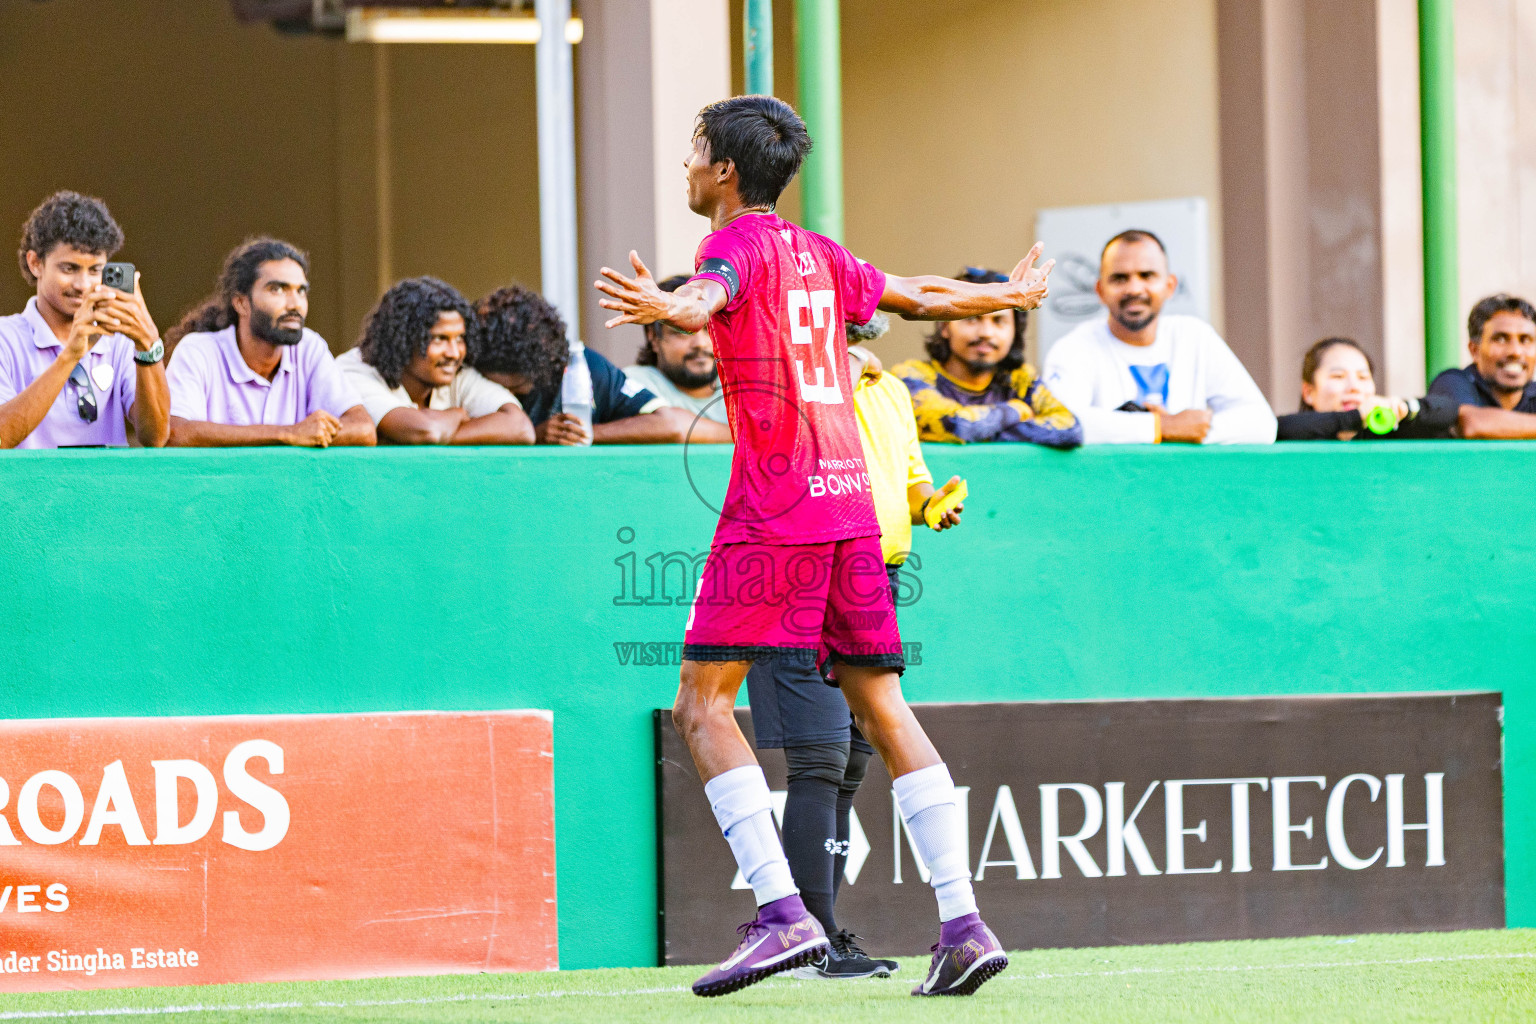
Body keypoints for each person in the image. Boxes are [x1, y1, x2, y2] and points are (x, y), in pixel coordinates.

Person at [595, 94, 1050, 998]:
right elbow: (919, 295)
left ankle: (781, 915)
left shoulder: (732, 243)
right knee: (883, 708)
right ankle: (963, 923)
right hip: (853, 504)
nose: (687, 165)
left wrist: (670, 304)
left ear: (726, 170)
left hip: (778, 503)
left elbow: (707, 296)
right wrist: (1009, 292)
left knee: (701, 707)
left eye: (694, 152)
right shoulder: (818, 251)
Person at [754, 315, 962, 982]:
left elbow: (910, 477)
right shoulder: (788, 385)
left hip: (878, 573)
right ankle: (806, 939)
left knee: (851, 761)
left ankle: (823, 938)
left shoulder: (890, 389)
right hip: (804, 569)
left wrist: (932, 506)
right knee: (820, 756)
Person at [1043, 229, 1276, 444]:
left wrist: (1187, 430)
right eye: (1120, 278)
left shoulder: (1195, 337)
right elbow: (1060, 422)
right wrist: (1160, 427)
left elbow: (1262, 424)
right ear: (1100, 291)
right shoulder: (1074, 348)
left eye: (1147, 275)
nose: (1134, 289)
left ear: (1170, 285)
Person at [165, 238, 373, 447]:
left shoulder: (309, 348)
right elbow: (176, 433)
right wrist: (288, 434)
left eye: (301, 291)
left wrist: (312, 433)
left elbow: (364, 429)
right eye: (277, 289)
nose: (295, 304)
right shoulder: (198, 351)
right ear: (241, 303)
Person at [0, 190, 169, 449]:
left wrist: (148, 345)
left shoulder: (120, 341)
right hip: (31, 490)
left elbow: (155, 437)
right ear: (35, 263)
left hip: (108, 489)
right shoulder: (5, 338)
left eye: (95, 270)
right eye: (69, 268)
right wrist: (70, 356)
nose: (83, 284)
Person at [471, 283, 700, 445]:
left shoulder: (581, 366)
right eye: (496, 386)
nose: (506, 395)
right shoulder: (465, 374)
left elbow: (667, 424)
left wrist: (583, 433)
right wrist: (534, 435)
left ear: (543, 368)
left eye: (517, 389)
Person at [891, 267, 1080, 447]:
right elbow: (955, 425)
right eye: (972, 318)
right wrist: (1015, 410)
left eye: (999, 321)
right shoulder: (910, 377)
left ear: (1015, 331)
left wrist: (983, 432)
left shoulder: (1021, 380)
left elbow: (1070, 429)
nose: (986, 333)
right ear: (945, 327)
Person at [338, 277, 532, 445]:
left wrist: (425, 437)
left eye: (459, 339)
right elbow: (426, 431)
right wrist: (456, 415)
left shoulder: (454, 374)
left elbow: (521, 427)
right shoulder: (355, 371)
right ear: (403, 339)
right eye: (439, 339)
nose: (454, 353)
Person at [1277, 337, 1458, 440]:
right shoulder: (1295, 432)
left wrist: (1406, 408)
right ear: (1308, 392)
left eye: (1363, 377)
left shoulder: (1385, 433)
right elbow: (1279, 428)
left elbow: (1448, 409)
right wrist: (1355, 418)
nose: (1354, 387)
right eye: (1338, 376)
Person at [623, 274, 732, 443]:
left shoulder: (742, 387)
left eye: (710, 330)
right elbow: (673, 426)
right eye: (684, 331)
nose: (700, 344)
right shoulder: (634, 382)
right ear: (653, 337)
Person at [1427, 294, 1536, 438]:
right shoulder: (1452, 383)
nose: (1515, 352)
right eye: (1501, 339)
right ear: (1474, 350)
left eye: (1525, 340)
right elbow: (1473, 424)